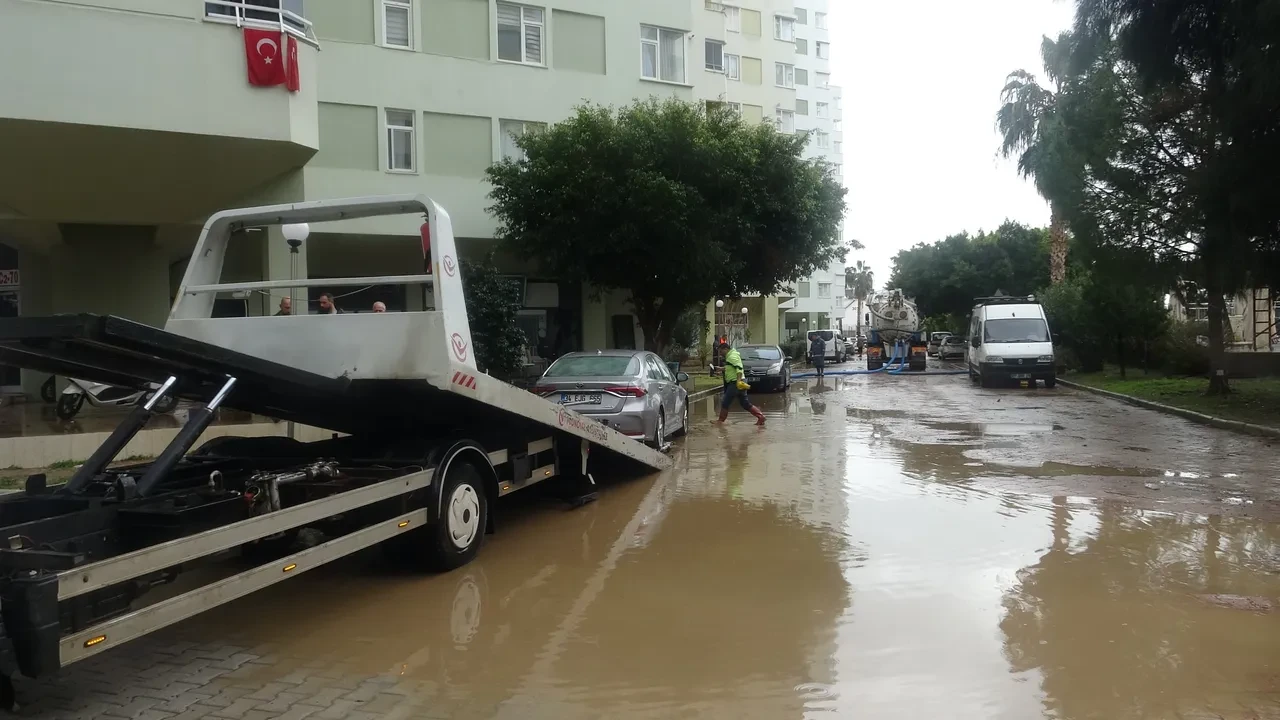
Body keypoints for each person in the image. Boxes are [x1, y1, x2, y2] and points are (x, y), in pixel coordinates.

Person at [715, 339, 766, 426]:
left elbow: (739, 368)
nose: (720, 354)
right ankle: (761, 416)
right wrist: (721, 369)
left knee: (725, 401)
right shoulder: (731, 356)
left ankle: (720, 421)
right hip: (739, 382)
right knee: (745, 403)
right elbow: (731, 367)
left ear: (725, 349)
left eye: (721, 351)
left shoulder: (732, 356)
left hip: (735, 382)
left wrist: (738, 381)